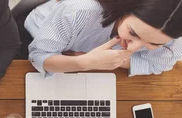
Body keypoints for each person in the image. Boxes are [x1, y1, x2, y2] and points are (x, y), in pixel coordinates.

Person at [15, 0, 182, 77]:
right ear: (126, 8)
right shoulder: (78, 11)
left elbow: (161, 62)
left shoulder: (169, 34)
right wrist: (84, 63)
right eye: (133, 33)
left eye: (154, 43)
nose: (132, 49)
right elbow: (39, 55)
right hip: (36, 35)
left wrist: (119, 61)